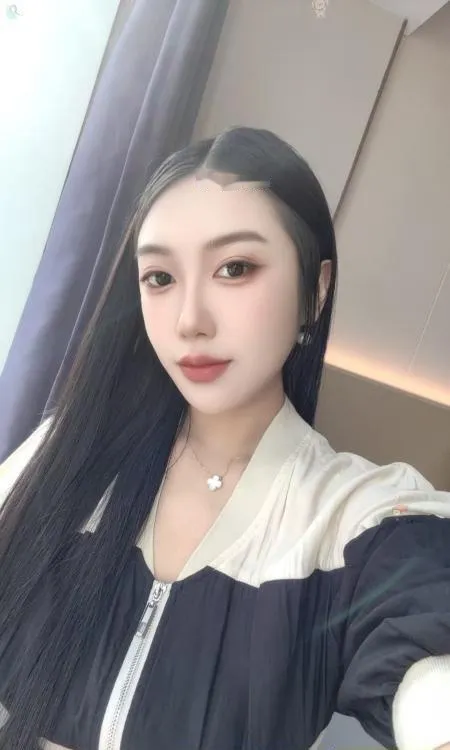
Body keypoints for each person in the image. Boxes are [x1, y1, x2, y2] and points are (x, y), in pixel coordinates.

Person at [0, 126, 449, 750]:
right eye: (160, 278)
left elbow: (427, 647)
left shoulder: (352, 520)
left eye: (234, 268)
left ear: (315, 292)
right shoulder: (64, 455)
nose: (190, 320)